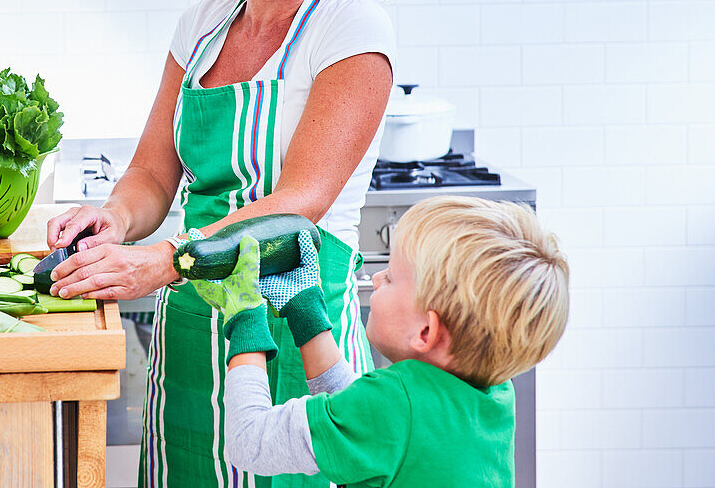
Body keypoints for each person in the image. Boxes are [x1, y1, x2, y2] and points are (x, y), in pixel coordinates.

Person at [46, 0, 408, 486]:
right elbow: (153, 174)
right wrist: (114, 219)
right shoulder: (203, 25)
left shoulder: (352, 32)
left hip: (298, 339)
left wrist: (163, 261)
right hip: (192, 342)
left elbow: (299, 200)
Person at [194, 196, 570, 487]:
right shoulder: (493, 394)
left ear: (426, 332)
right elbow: (361, 415)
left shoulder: (392, 406)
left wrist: (246, 321)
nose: (375, 281)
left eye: (390, 277)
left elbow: (249, 442)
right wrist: (305, 311)